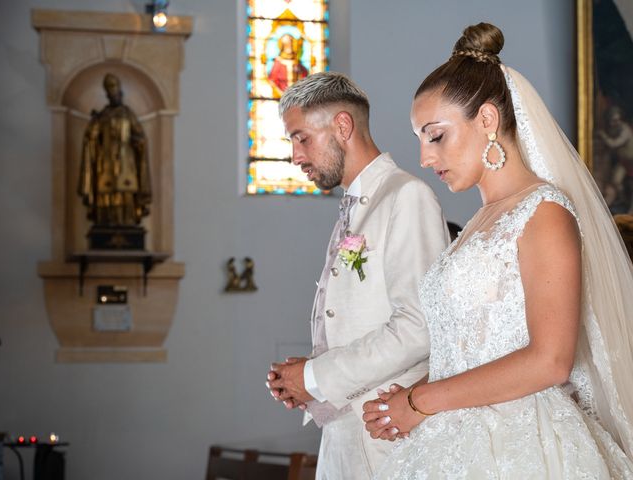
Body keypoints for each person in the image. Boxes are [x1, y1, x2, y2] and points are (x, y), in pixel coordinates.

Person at [362, 23, 633, 478]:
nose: (426, 158)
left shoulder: (544, 213)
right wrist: (405, 401)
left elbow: (550, 360)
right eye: (420, 140)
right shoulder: (477, 225)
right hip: (451, 441)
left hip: (523, 447)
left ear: (487, 120)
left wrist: (419, 401)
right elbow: (475, 355)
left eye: (435, 135)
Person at [265, 71, 450, 479]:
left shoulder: (406, 196)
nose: (296, 156)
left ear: (342, 126)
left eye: (301, 138)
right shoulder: (358, 205)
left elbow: (418, 328)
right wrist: (310, 369)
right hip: (344, 439)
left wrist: (315, 377)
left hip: (385, 442)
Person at [78, 73, 152, 226]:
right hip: (105, 163)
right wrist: (93, 127)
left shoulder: (128, 114)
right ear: (108, 96)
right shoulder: (102, 116)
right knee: (105, 192)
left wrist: (137, 142)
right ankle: (105, 222)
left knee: (126, 193)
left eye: (117, 93)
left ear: (121, 94)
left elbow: (141, 137)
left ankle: (128, 222)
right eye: (111, 94)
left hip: (126, 163)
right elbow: (91, 140)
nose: (115, 97)